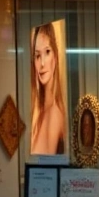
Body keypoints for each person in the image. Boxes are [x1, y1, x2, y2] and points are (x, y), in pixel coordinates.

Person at [30, 22, 67, 155]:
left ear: (55, 57)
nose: (42, 63)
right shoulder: (39, 112)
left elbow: (48, 168)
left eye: (47, 52)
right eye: (37, 56)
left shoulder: (55, 113)